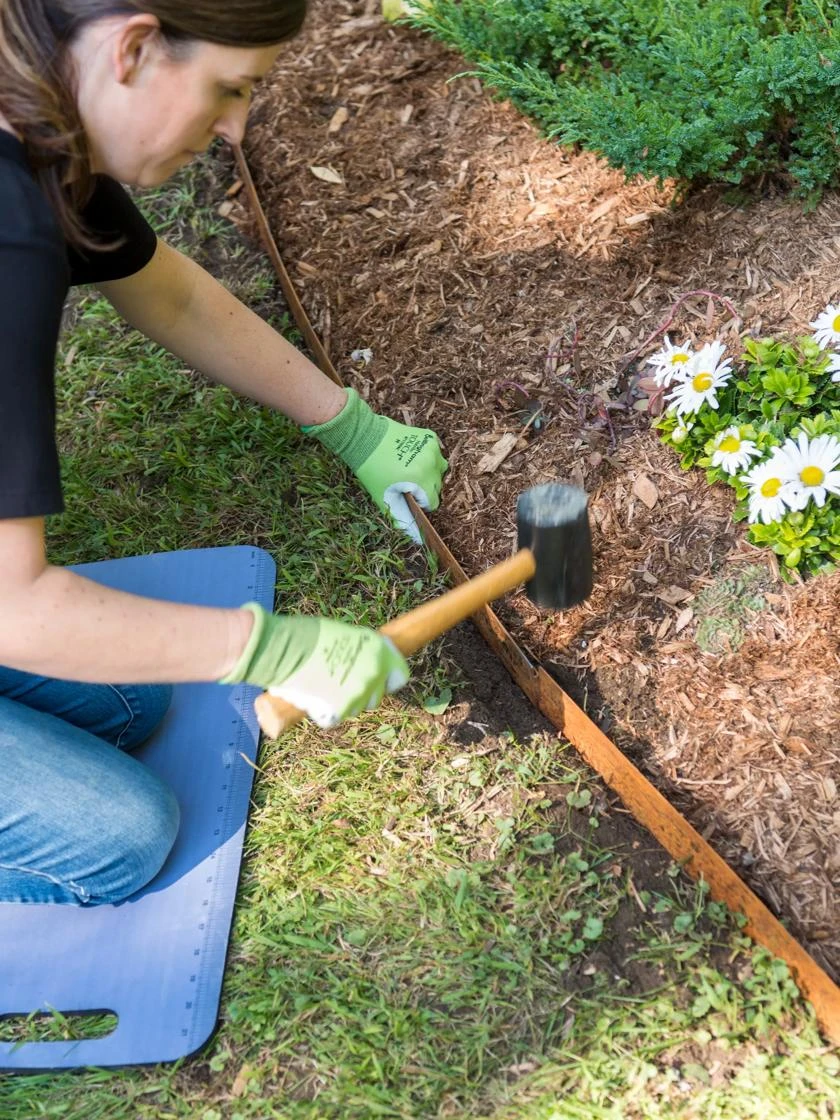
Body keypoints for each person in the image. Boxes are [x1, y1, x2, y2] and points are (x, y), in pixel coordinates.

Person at [0, 0, 448, 906]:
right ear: (133, 47)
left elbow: (171, 299)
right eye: (229, 89)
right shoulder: (7, 239)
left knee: (132, 699)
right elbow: (13, 604)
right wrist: (270, 648)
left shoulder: (39, 119)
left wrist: (353, 427)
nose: (236, 130)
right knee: (117, 838)